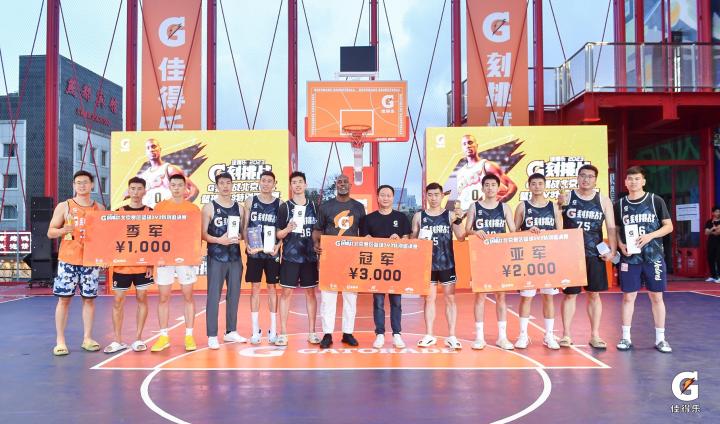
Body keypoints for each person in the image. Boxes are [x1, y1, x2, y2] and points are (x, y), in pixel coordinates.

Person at [614, 166, 674, 353]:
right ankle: (625, 338)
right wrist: (620, 245)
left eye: (637, 179)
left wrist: (650, 236)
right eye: (630, 179)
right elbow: (616, 229)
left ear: (643, 181)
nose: (633, 182)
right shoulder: (620, 205)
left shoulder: (655, 200)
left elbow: (669, 226)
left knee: (657, 297)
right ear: (625, 182)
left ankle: (661, 339)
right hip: (630, 258)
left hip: (653, 257)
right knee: (628, 297)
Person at [47, 170, 105, 356]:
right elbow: (50, 232)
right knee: (64, 300)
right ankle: (60, 341)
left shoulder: (99, 208)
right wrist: (63, 230)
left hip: (90, 262)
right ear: (73, 185)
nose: (82, 185)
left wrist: (104, 257)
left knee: (89, 300)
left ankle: (87, 338)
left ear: (92, 185)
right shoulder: (65, 206)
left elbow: (105, 237)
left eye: (85, 182)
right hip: (68, 260)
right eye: (78, 182)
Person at [560, 165, 617, 349]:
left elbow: (611, 227)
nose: (586, 179)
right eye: (583, 176)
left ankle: (595, 335)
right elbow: (557, 223)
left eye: (590, 176)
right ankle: (566, 335)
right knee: (570, 295)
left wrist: (612, 250)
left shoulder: (603, 200)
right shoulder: (567, 197)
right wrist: (559, 206)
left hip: (595, 254)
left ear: (595, 179)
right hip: (571, 254)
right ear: (578, 178)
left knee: (594, 295)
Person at [313, 174, 366, 349]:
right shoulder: (326, 207)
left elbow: (364, 233)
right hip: (330, 258)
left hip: (351, 259)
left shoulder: (358, 207)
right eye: (339, 182)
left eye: (345, 182)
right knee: (328, 297)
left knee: (350, 297)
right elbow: (318, 230)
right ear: (336, 185)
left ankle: (347, 333)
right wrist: (316, 244)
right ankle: (327, 334)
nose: (342, 185)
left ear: (350, 185)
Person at [465, 174, 516, 350]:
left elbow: (513, 231)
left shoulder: (505, 207)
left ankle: (502, 337)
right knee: (480, 296)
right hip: (481, 257)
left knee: (501, 296)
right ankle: (479, 337)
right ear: (482, 188)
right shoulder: (475, 207)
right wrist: (475, 232)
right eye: (487, 185)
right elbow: (467, 230)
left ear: (498, 187)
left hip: (500, 257)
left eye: (493, 185)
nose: (490, 188)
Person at [150, 175, 201, 352]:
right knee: (163, 297)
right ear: (169, 187)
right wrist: (156, 257)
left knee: (188, 296)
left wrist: (195, 255)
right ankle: (164, 336)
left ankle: (189, 335)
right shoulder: (160, 207)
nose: (177, 188)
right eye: (174, 185)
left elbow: (196, 234)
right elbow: (154, 232)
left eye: (180, 185)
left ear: (186, 188)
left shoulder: (193, 209)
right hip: (165, 258)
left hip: (185, 257)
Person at [103, 177, 154, 354]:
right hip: (122, 265)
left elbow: (154, 240)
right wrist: (106, 258)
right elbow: (110, 238)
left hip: (143, 265)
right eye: (133, 188)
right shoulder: (119, 212)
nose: (136, 192)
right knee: (118, 301)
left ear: (144, 191)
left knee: (142, 298)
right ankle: (117, 340)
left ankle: (139, 338)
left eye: (139, 189)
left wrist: (151, 263)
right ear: (128, 190)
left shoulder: (151, 213)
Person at [412, 182, 465, 349]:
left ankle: (452, 336)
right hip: (427, 265)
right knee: (429, 299)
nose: (433, 198)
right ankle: (429, 335)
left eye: (436, 195)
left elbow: (461, 237)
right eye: (430, 195)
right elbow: (412, 240)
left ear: (442, 196)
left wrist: (460, 219)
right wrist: (416, 239)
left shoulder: (450, 215)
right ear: (426, 196)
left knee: (450, 298)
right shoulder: (419, 216)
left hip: (447, 263)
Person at [513, 173, 562, 350]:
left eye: (540, 183)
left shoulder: (553, 207)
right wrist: (527, 232)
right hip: (528, 259)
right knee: (526, 297)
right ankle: (523, 335)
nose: (537, 186)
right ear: (529, 186)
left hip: (548, 258)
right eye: (534, 183)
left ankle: (549, 335)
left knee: (548, 297)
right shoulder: (522, 206)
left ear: (545, 185)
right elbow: (514, 232)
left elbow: (560, 233)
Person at [361, 185, 412, 349]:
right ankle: (380, 334)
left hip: (395, 266)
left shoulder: (401, 217)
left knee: (396, 301)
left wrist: (400, 239)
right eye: (382, 195)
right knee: (378, 301)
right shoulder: (368, 219)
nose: (385, 198)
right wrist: (368, 239)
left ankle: (397, 334)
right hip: (377, 267)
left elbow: (407, 239)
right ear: (377, 197)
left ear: (393, 198)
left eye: (388, 195)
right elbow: (364, 239)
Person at [274, 171, 321, 347]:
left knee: (311, 293)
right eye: (294, 182)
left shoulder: (315, 206)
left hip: (309, 258)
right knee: (286, 294)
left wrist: (319, 245)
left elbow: (320, 230)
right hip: (290, 257)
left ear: (305, 185)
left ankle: (312, 332)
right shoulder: (285, 207)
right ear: (291, 186)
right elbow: (278, 234)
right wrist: (288, 229)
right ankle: (283, 333)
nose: (298, 185)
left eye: (300, 181)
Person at [202, 171, 246, 350]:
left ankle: (231, 331)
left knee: (234, 295)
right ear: (217, 186)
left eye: (228, 183)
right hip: (217, 257)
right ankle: (212, 335)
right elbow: (203, 234)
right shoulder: (209, 207)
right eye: (222, 183)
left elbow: (243, 233)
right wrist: (219, 240)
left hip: (235, 257)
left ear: (232, 185)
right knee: (214, 296)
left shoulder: (240, 208)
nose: (225, 186)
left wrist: (240, 237)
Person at [243, 171, 282, 344]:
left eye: (269, 181)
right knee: (255, 288)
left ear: (274, 184)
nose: (266, 183)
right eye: (263, 180)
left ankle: (273, 329)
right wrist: (246, 244)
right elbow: (245, 226)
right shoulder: (251, 201)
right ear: (259, 182)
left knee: (272, 288)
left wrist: (278, 246)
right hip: (255, 252)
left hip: (272, 253)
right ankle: (255, 330)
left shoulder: (279, 204)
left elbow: (281, 230)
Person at [455, 134, 517, 210]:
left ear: (476, 145)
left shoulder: (487, 165)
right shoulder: (460, 173)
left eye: (470, 142)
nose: (467, 146)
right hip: (467, 214)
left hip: (485, 212)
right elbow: (460, 198)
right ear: (462, 148)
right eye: (464, 144)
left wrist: (504, 198)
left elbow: (512, 185)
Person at [138, 138, 198, 208]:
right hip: (150, 213)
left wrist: (181, 207)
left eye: (153, 146)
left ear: (160, 149)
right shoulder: (143, 176)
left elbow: (194, 188)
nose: (151, 150)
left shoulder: (170, 169)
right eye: (148, 148)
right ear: (146, 152)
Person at [704, 206, 720, 282]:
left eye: (719, 212)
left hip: (719, 242)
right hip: (711, 242)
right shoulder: (709, 222)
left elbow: (718, 233)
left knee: (718, 259)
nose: (718, 213)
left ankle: (719, 277)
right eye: (716, 212)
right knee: (710, 258)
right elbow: (706, 233)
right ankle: (713, 276)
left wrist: (711, 231)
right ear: (713, 213)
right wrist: (712, 229)